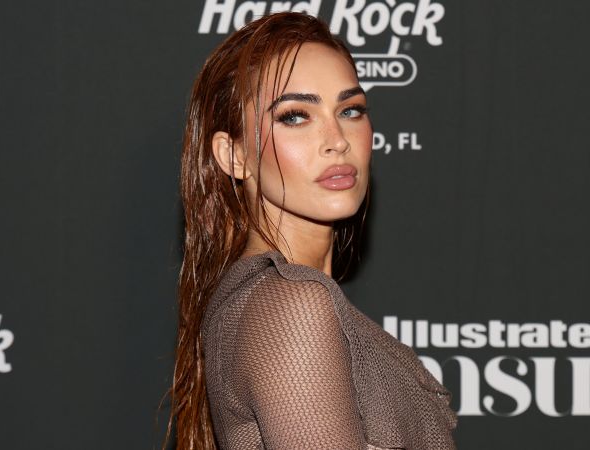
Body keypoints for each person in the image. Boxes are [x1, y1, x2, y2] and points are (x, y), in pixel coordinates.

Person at [170, 11, 457, 450]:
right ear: (234, 156)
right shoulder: (292, 307)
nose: (337, 139)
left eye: (350, 110)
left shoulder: (269, 300)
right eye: (295, 116)